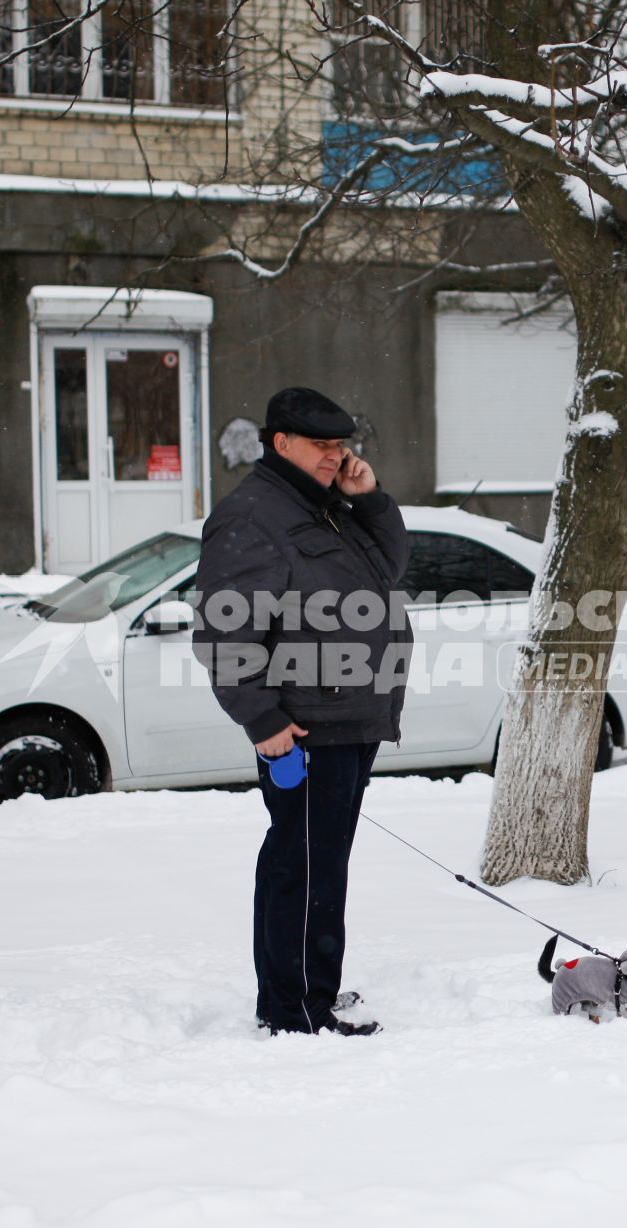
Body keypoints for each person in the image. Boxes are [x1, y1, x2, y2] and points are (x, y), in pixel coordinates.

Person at [193, 387, 410, 1037]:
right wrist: (262, 720)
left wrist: (366, 496)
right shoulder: (252, 517)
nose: (334, 456)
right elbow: (222, 633)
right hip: (306, 724)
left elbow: (389, 568)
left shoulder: (324, 507)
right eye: (321, 445)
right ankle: (293, 1010)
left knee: (320, 864)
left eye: (341, 446)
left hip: (346, 717)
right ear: (280, 442)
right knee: (302, 867)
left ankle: (314, 993)